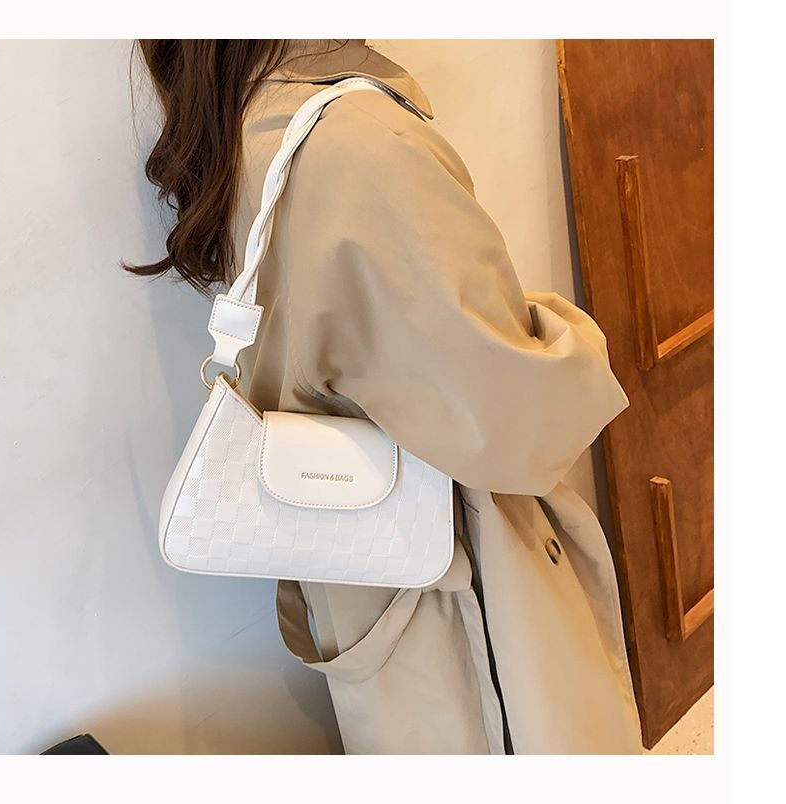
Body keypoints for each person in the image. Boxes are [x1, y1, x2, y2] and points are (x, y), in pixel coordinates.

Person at [127, 38, 643, 754]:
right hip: (466, 593)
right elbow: (514, 423)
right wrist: (572, 333)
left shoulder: (250, 108)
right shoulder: (358, 146)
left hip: (370, 579)